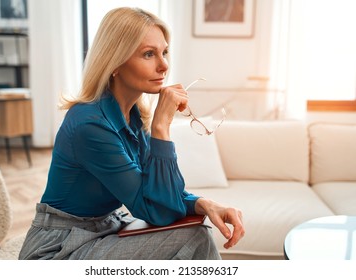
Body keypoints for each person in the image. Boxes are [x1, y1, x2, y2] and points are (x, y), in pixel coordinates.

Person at [18, 7, 244, 260]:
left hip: (104, 229)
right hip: (59, 248)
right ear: (115, 62)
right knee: (193, 236)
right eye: (149, 54)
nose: (164, 65)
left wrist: (206, 204)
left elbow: (158, 192)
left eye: (164, 52)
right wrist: (161, 126)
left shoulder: (132, 115)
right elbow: (156, 210)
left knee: (193, 230)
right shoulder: (89, 125)